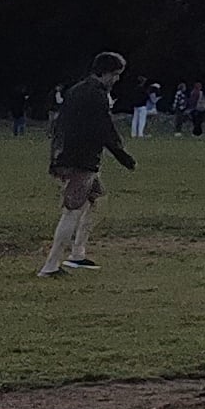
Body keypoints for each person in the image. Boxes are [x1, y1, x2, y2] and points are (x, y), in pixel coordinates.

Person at [41, 54, 134, 279]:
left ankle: (77, 254)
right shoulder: (96, 95)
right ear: (104, 72)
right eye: (115, 74)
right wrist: (123, 156)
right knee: (72, 211)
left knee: (96, 200)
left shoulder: (77, 90)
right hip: (79, 160)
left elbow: (60, 124)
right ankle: (50, 265)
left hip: (71, 156)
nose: (116, 79)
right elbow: (105, 129)